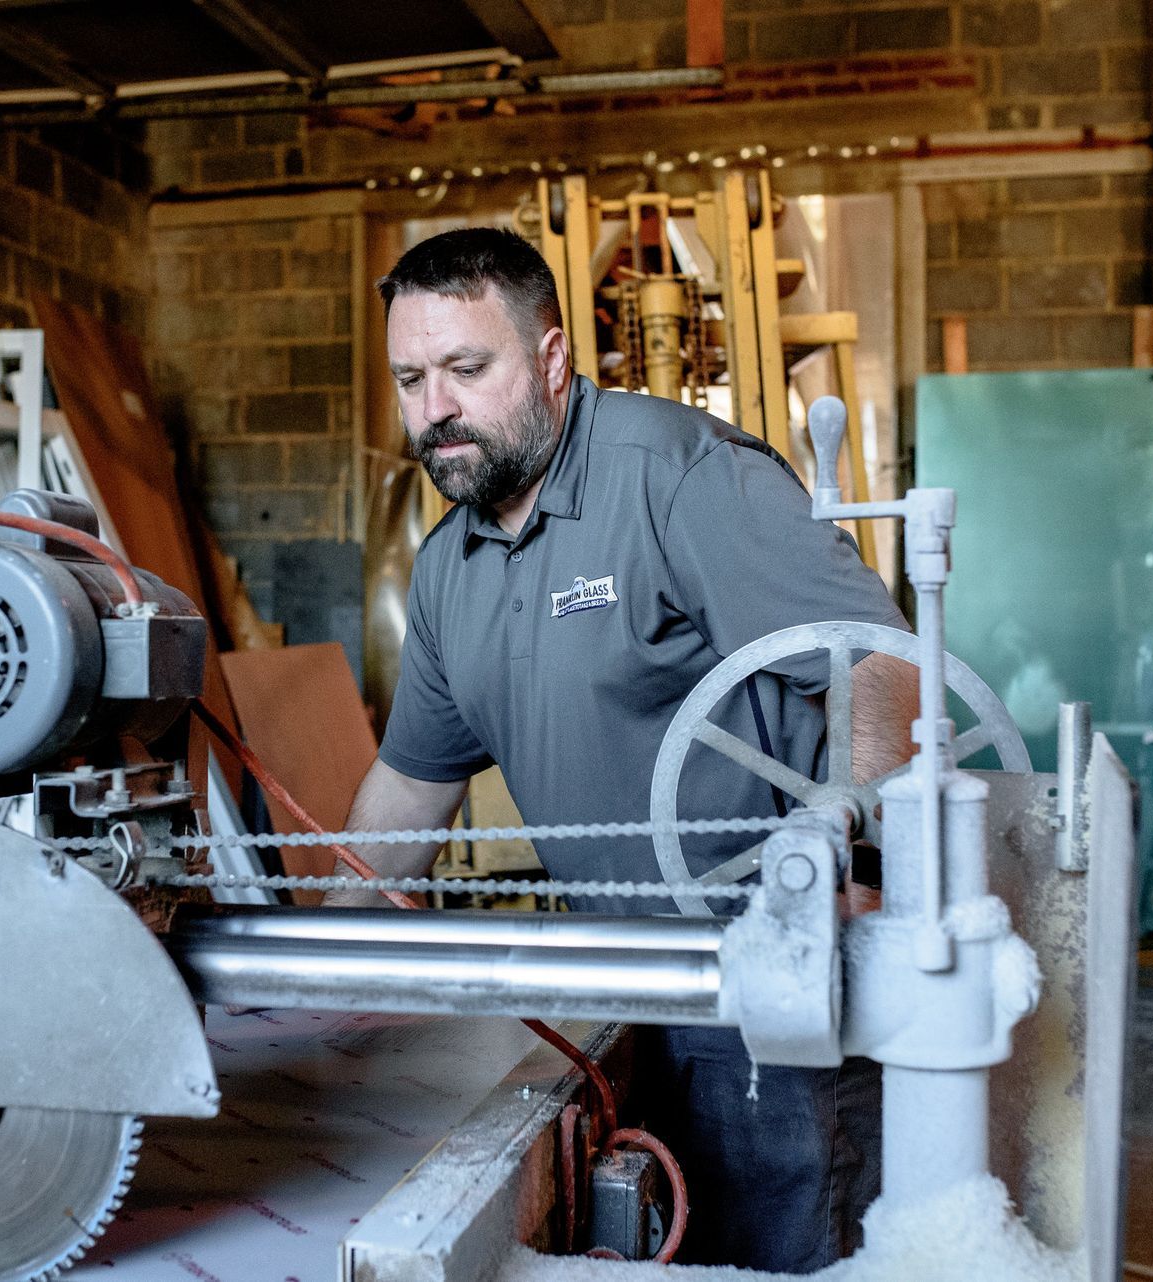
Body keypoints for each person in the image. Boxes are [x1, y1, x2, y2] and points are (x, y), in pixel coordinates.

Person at [324, 226, 917, 1272]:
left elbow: (877, 664)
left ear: (552, 359)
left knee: (787, 1254)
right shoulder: (451, 567)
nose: (436, 409)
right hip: (610, 1003)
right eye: (411, 378)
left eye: (468, 369)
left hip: (763, 1003)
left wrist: (851, 845)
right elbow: (414, 783)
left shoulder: (677, 478)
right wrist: (320, 963)